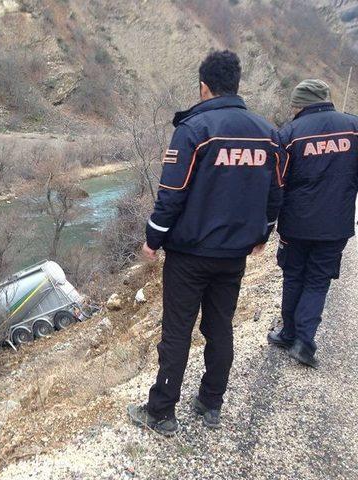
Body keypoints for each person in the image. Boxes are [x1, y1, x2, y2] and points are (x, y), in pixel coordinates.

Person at [127, 50, 284, 436]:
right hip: (234, 254)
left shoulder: (194, 130)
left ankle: (161, 412)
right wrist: (262, 233)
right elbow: (276, 193)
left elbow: (172, 193)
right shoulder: (268, 133)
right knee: (220, 327)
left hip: (190, 254)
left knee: (177, 331)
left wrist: (152, 239)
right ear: (236, 84)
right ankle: (210, 403)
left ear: (203, 87)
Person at [267, 79, 358, 368]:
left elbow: (276, 182)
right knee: (318, 280)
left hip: (295, 223)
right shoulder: (353, 127)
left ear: (299, 104)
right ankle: (304, 344)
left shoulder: (290, 134)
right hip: (336, 223)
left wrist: (268, 221)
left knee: (294, 276)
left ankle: (289, 333)